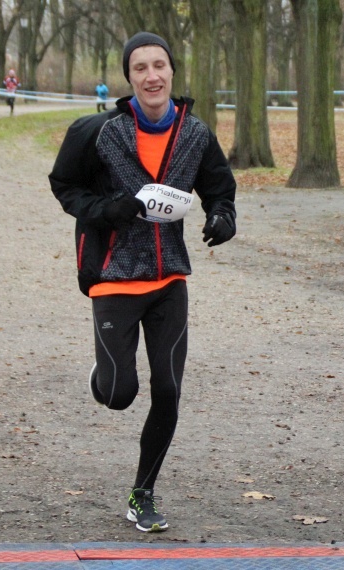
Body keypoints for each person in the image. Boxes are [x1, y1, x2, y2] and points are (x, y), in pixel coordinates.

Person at [49, 32, 237, 533]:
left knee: (168, 390)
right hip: (114, 277)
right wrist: (106, 210)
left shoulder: (195, 134)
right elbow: (64, 185)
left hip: (169, 278)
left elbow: (220, 189)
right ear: (129, 77)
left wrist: (223, 217)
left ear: (171, 71)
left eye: (159, 65)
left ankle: (143, 493)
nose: (152, 76)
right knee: (119, 394)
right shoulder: (98, 132)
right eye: (140, 68)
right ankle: (103, 376)